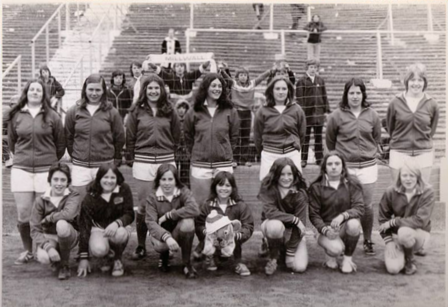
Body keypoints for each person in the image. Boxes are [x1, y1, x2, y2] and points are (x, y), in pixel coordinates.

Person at [8, 78, 66, 265]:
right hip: (22, 169)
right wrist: (22, 158)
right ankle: (27, 250)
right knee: (24, 213)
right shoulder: (16, 115)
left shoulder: (52, 116)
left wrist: (49, 161)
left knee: (45, 212)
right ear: (26, 92)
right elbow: (12, 142)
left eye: (38, 90)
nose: (35, 92)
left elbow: (60, 144)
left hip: (46, 170)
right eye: (32, 89)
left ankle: (46, 246)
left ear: (43, 94)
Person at [125, 74, 181, 261]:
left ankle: (164, 246)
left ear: (162, 89)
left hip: (166, 160)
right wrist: (134, 158)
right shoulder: (136, 111)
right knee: (143, 207)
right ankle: (141, 245)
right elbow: (130, 138)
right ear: (144, 90)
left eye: (157, 88)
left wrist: (169, 153)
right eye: (150, 88)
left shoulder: (170, 110)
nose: (154, 91)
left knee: (166, 204)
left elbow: (177, 136)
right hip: (143, 161)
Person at [326, 78, 382, 255]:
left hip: (367, 166)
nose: (355, 96)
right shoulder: (336, 115)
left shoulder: (372, 114)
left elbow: (377, 137)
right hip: (346, 168)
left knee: (366, 206)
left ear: (363, 94)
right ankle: (341, 241)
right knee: (343, 205)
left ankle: (367, 240)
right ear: (346, 94)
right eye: (351, 93)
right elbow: (330, 140)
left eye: (358, 92)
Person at [65, 74, 125, 202]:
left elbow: (119, 137)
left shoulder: (111, 112)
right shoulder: (73, 111)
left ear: (103, 91)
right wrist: (77, 155)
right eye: (90, 89)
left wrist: (113, 156)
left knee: (104, 204)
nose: (94, 93)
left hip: (103, 165)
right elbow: (68, 137)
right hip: (80, 167)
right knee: (80, 202)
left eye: (98, 90)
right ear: (85, 90)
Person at [184, 73, 240, 207]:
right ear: (205, 88)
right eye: (213, 85)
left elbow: (234, 137)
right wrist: (196, 153)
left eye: (220, 86)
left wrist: (224, 152)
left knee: (224, 205)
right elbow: (188, 136)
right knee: (201, 205)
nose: (217, 89)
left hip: (223, 165)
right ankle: (201, 229)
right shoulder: (194, 111)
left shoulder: (230, 111)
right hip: (200, 165)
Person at [308, 151, 365, 274]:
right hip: (325, 229)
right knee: (336, 249)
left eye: (337, 163)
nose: (333, 167)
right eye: (330, 164)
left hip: (344, 226)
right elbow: (314, 215)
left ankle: (347, 260)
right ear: (324, 167)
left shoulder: (353, 184)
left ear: (343, 166)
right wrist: (325, 230)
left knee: (354, 224)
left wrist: (343, 216)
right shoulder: (316, 187)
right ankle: (330, 253)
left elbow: (359, 208)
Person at [77, 163, 135, 278]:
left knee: (120, 234)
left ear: (117, 178)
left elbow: (129, 213)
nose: (109, 181)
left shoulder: (124, 189)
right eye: (106, 177)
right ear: (99, 178)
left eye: (112, 177)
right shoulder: (91, 196)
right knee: (98, 249)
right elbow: (84, 225)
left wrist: (117, 223)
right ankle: (107, 256)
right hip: (99, 229)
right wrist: (83, 257)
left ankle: (117, 258)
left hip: (118, 228)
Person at [386, 63, 440, 183]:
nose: (416, 83)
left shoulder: (432, 104)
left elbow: (432, 130)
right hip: (399, 153)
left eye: (420, 80)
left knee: (422, 193)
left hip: (423, 154)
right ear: (407, 82)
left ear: (424, 82)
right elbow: (391, 128)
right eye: (412, 80)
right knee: (399, 193)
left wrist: (422, 143)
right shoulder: (395, 102)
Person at [378, 162, 435, 275]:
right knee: (393, 269)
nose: (408, 179)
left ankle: (410, 261)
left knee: (404, 232)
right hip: (397, 235)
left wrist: (395, 221)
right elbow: (383, 219)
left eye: (412, 175)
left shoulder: (428, 191)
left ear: (418, 177)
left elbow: (420, 220)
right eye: (404, 175)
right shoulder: (390, 191)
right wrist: (388, 241)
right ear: (399, 176)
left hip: (419, 233)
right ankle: (402, 253)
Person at [194, 171, 254, 276]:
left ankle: (237, 262)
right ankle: (210, 256)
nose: (224, 188)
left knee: (230, 230)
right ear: (214, 187)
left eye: (228, 185)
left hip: (233, 241)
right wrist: (208, 233)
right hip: (212, 239)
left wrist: (233, 235)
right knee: (212, 234)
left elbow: (248, 226)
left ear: (233, 188)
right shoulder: (207, 205)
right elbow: (199, 224)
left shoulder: (240, 205)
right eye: (220, 185)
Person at [145, 164, 199, 278]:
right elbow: (151, 222)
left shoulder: (183, 191)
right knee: (160, 246)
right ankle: (164, 256)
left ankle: (186, 263)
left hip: (179, 231)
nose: (167, 183)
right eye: (163, 179)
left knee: (188, 223)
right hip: (162, 236)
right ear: (158, 181)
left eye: (170, 179)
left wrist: (170, 215)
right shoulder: (152, 197)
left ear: (176, 180)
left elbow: (194, 209)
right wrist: (166, 237)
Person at [258, 158, 308, 275]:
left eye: (289, 174)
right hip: (272, 225)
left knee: (298, 267)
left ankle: (284, 248)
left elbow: (301, 224)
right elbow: (270, 212)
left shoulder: (300, 192)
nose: (286, 178)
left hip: (293, 231)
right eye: (282, 174)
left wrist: (291, 253)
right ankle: (273, 256)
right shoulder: (268, 187)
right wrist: (293, 219)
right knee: (275, 226)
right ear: (275, 174)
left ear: (294, 174)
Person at [30, 163, 80, 280]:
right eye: (55, 179)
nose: (58, 183)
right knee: (43, 257)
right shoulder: (40, 200)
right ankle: (55, 258)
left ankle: (65, 265)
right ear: (50, 180)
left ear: (68, 182)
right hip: (50, 236)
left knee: (61, 224)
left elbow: (68, 214)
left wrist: (49, 218)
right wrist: (48, 247)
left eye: (63, 180)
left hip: (69, 235)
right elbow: (34, 229)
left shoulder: (73, 195)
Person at [254, 75, 306, 181]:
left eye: (284, 88)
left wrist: (294, 147)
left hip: (291, 153)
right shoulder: (263, 110)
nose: (281, 92)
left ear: (289, 91)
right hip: (269, 155)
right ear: (271, 91)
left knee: (295, 188)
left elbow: (302, 134)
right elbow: (257, 135)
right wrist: (266, 151)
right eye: (277, 89)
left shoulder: (297, 109)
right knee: (269, 189)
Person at [220, 66, 271, 167]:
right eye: (241, 75)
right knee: (235, 136)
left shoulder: (251, 84)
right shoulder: (234, 84)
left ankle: (244, 159)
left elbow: (261, 77)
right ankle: (234, 159)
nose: (243, 77)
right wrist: (222, 70)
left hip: (247, 113)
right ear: (237, 77)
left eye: (245, 75)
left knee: (245, 136)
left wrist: (269, 71)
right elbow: (226, 78)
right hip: (236, 112)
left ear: (248, 76)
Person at [296, 59, 330, 167]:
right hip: (307, 114)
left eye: (315, 67)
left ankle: (319, 159)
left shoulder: (320, 80)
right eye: (311, 67)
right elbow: (300, 98)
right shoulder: (301, 81)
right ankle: (303, 159)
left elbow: (324, 96)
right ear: (307, 68)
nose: (313, 69)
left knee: (318, 137)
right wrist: (302, 112)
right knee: (305, 137)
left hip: (318, 113)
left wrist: (326, 110)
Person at [146, 61, 210, 96]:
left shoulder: (189, 76)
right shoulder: (170, 77)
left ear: (184, 68)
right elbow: (161, 73)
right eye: (177, 66)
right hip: (174, 102)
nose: (179, 68)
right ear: (174, 68)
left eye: (181, 66)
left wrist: (207, 63)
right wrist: (153, 66)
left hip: (188, 101)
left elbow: (198, 71)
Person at [175, 99, 191, 187]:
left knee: (185, 172)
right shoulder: (173, 120)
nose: (181, 110)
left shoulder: (189, 120)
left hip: (186, 150)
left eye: (183, 108)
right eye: (179, 107)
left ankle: (185, 190)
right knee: (173, 171)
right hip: (175, 150)